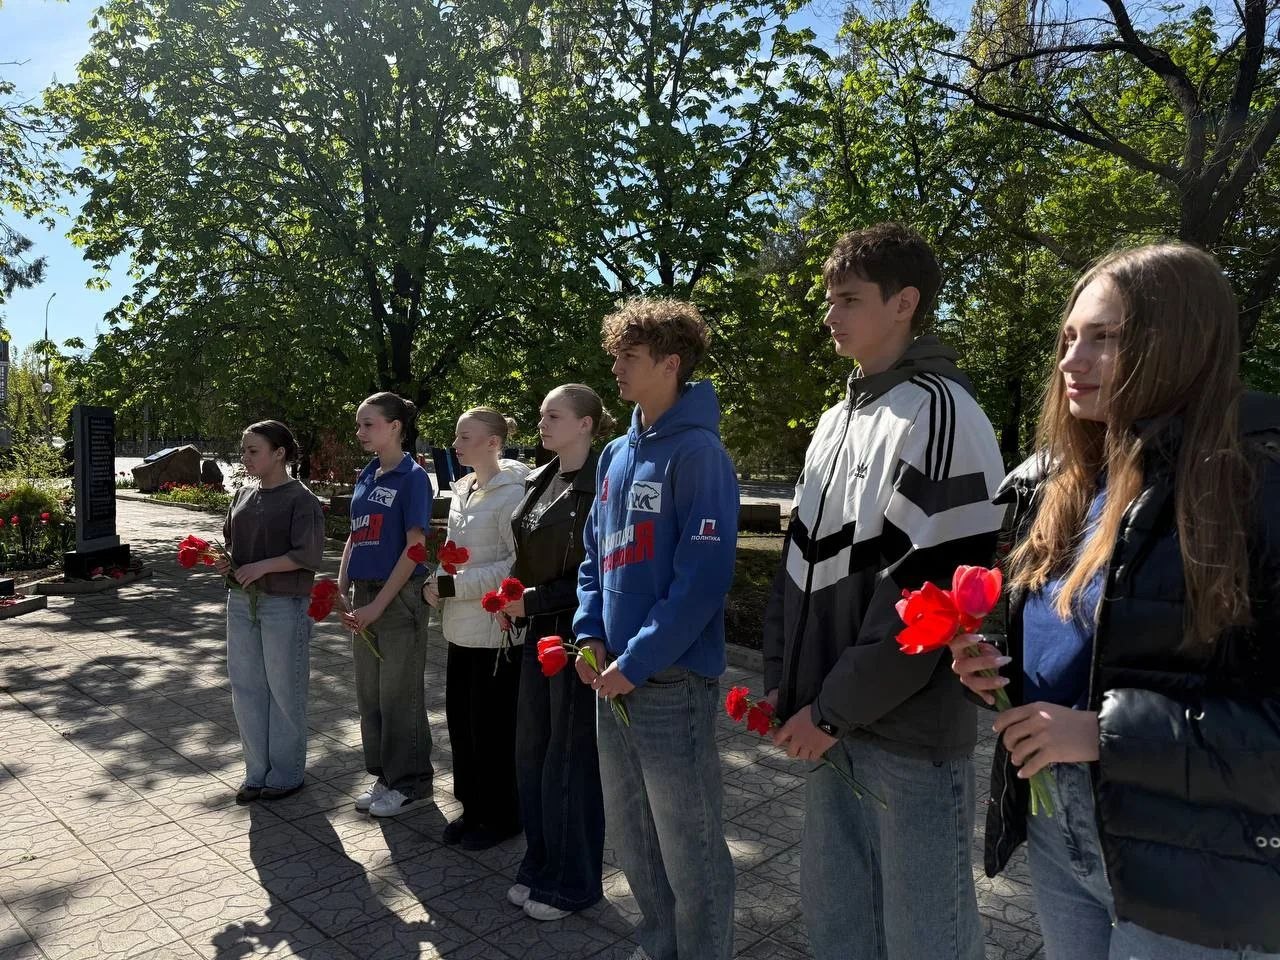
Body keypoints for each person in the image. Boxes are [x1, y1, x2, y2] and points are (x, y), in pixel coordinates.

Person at [950, 243, 1280, 959]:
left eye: (1106, 337)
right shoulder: (1062, 478)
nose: (1071, 361)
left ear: (1181, 343)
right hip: (1059, 828)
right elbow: (1096, 651)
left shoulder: (1256, 480)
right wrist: (999, 673)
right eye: (1070, 337)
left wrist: (1104, 734)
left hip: (1195, 866)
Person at [762, 223, 1005, 960]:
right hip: (829, 720)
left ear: (905, 303)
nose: (829, 315)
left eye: (849, 299)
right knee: (840, 927)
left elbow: (932, 598)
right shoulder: (835, 418)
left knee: (926, 939)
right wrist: (786, 685)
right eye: (829, 298)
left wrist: (830, 709)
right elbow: (797, 562)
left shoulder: (942, 411)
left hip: (905, 736)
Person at [573, 298, 739, 960]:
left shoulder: (700, 453)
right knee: (633, 835)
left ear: (670, 364)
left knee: (689, 846)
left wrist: (636, 661)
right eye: (615, 354)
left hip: (669, 681)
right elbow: (595, 554)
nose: (616, 366)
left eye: (630, 356)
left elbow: (702, 579)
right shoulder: (615, 453)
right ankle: (659, 943)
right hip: (610, 674)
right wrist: (589, 635)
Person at [506, 385, 613, 921]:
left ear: (586, 424)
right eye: (541, 414)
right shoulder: (541, 478)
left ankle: (574, 882)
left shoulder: (602, 483)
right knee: (532, 750)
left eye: (554, 415)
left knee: (569, 759)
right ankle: (541, 861)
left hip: (576, 632)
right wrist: (511, 595)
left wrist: (532, 599)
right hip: (537, 630)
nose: (542, 423)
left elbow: (599, 569)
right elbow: (526, 551)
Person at [424, 407, 530, 850]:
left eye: (465, 437)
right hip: (460, 627)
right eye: (456, 436)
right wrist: (436, 579)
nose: (455, 444)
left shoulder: (516, 493)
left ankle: (502, 816)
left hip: (495, 630)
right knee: (462, 725)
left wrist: (454, 585)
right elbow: (455, 552)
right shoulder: (463, 489)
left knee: (493, 729)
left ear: (493, 443)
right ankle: (471, 808)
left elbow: (515, 565)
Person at [339, 391, 434, 818]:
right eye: (359, 425)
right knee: (370, 693)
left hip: (398, 599)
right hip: (364, 593)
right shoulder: (368, 474)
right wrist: (342, 583)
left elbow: (416, 549)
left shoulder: (413, 477)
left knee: (399, 694)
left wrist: (378, 605)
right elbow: (355, 534)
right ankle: (386, 776)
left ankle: (412, 784)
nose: (360, 432)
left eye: (368, 424)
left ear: (395, 427)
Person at [220, 420, 325, 804]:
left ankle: (286, 774)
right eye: (244, 451)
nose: (245, 458)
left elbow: (308, 555)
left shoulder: (301, 499)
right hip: (241, 601)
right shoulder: (243, 494)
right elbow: (231, 544)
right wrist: (223, 562)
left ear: (279, 453)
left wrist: (261, 567)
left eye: (253, 451)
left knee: (284, 690)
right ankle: (256, 772)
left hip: (284, 603)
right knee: (246, 688)